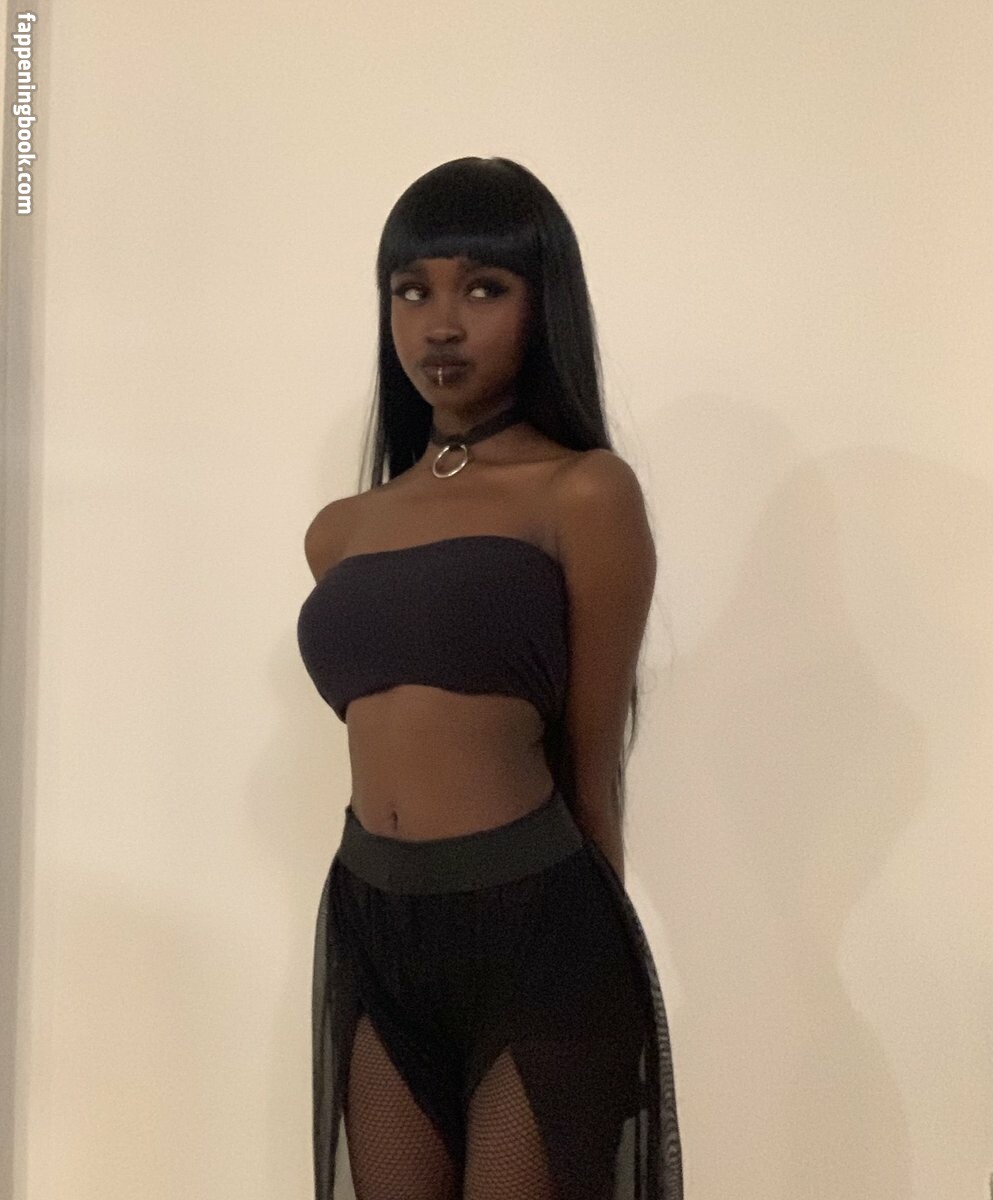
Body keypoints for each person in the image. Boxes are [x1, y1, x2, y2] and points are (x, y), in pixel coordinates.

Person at [297, 156, 683, 1200]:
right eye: (410, 290)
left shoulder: (584, 493)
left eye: (483, 287)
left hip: (535, 932)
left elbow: (592, 762)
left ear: (541, 302)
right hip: (373, 924)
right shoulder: (340, 534)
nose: (440, 324)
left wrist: (606, 982)